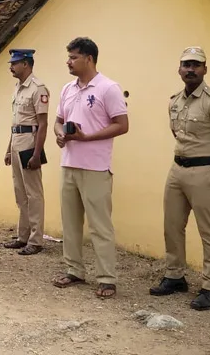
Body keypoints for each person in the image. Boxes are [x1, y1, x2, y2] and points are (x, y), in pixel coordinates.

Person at [149, 46, 210, 310]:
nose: (190, 69)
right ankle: (175, 276)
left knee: (208, 230)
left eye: (196, 65)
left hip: (204, 172)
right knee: (172, 225)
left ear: (204, 69)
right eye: (186, 65)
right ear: (179, 69)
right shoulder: (175, 101)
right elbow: (178, 134)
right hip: (177, 170)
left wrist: (207, 158)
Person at [51, 37, 128, 298]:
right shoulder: (67, 89)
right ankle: (74, 270)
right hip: (69, 164)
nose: (68, 62)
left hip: (95, 167)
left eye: (73, 57)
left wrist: (87, 137)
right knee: (70, 223)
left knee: (99, 226)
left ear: (89, 59)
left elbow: (122, 125)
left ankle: (107, 278)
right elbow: (58, 120)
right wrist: (60, 134)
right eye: (69, 57)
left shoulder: (108, 88)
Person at [3, 48, 49, 255]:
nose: (11, 67)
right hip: (16, 142)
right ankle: (23, 236)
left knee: (34, 194)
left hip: (30, 143)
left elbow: (43, 124)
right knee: (20, 193)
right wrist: (8, 149)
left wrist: (37, 154)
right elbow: (15, 123)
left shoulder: (38, 88)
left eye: (15, 63)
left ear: (26, 64)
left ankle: (36, 240)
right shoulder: (18, 88)